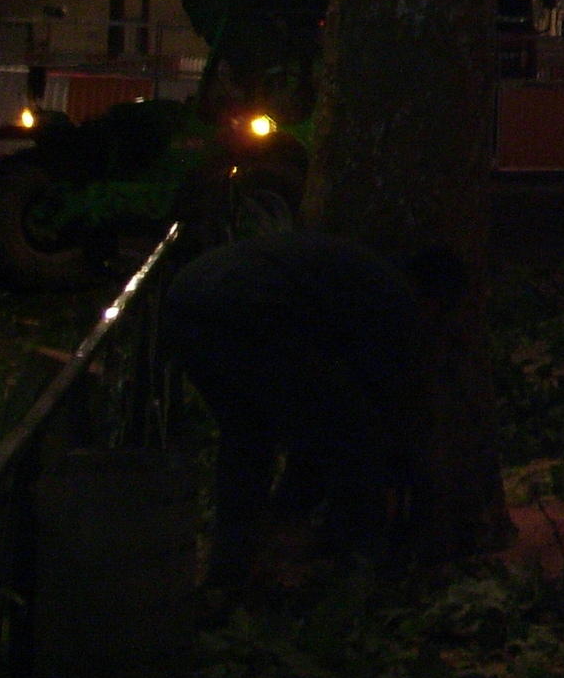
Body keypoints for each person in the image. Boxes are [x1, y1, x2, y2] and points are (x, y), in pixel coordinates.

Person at [160, 231, 463, 586]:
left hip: (188, 298)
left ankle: (231, 571)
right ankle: (357, 567)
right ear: (434, 300)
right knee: (347, 432)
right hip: (252, 306)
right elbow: (384, 413)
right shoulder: (394, 299)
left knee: (246, 436)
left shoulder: (359, 275)